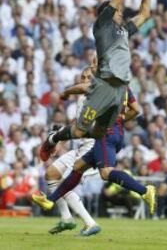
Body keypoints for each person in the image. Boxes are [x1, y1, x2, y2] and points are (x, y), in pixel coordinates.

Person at [39, 0, 152, 162]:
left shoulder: (123, 31)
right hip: (106, 84)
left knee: (99, 133)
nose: (121, 12)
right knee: (79, 130)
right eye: (118, 11)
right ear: (107, 14)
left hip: (121, 88)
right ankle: (53, 138)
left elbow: (143, 15)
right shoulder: (102, 27)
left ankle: (71, 147)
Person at [32, 72, 156, 222]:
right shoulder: (123, 85)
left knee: (105, 173)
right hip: (116, 132)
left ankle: (144, 190)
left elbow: (85, 88)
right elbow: (136, 109)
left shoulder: (103, 84)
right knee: (78, 167)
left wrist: (66, 92)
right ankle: (51, 200)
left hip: (105, 134)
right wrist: (120, 119)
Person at [45, 67, 100, 236]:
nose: (84, 80)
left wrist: (57, 138)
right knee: (51, 174)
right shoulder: (82, 98)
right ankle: (66, 218)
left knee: (64, 183)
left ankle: (90, 223)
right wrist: (60, 140)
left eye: (88, 77)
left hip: (93, 147)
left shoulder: (97, 96)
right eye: (82, 77)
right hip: (81, 146)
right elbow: (77, 125)